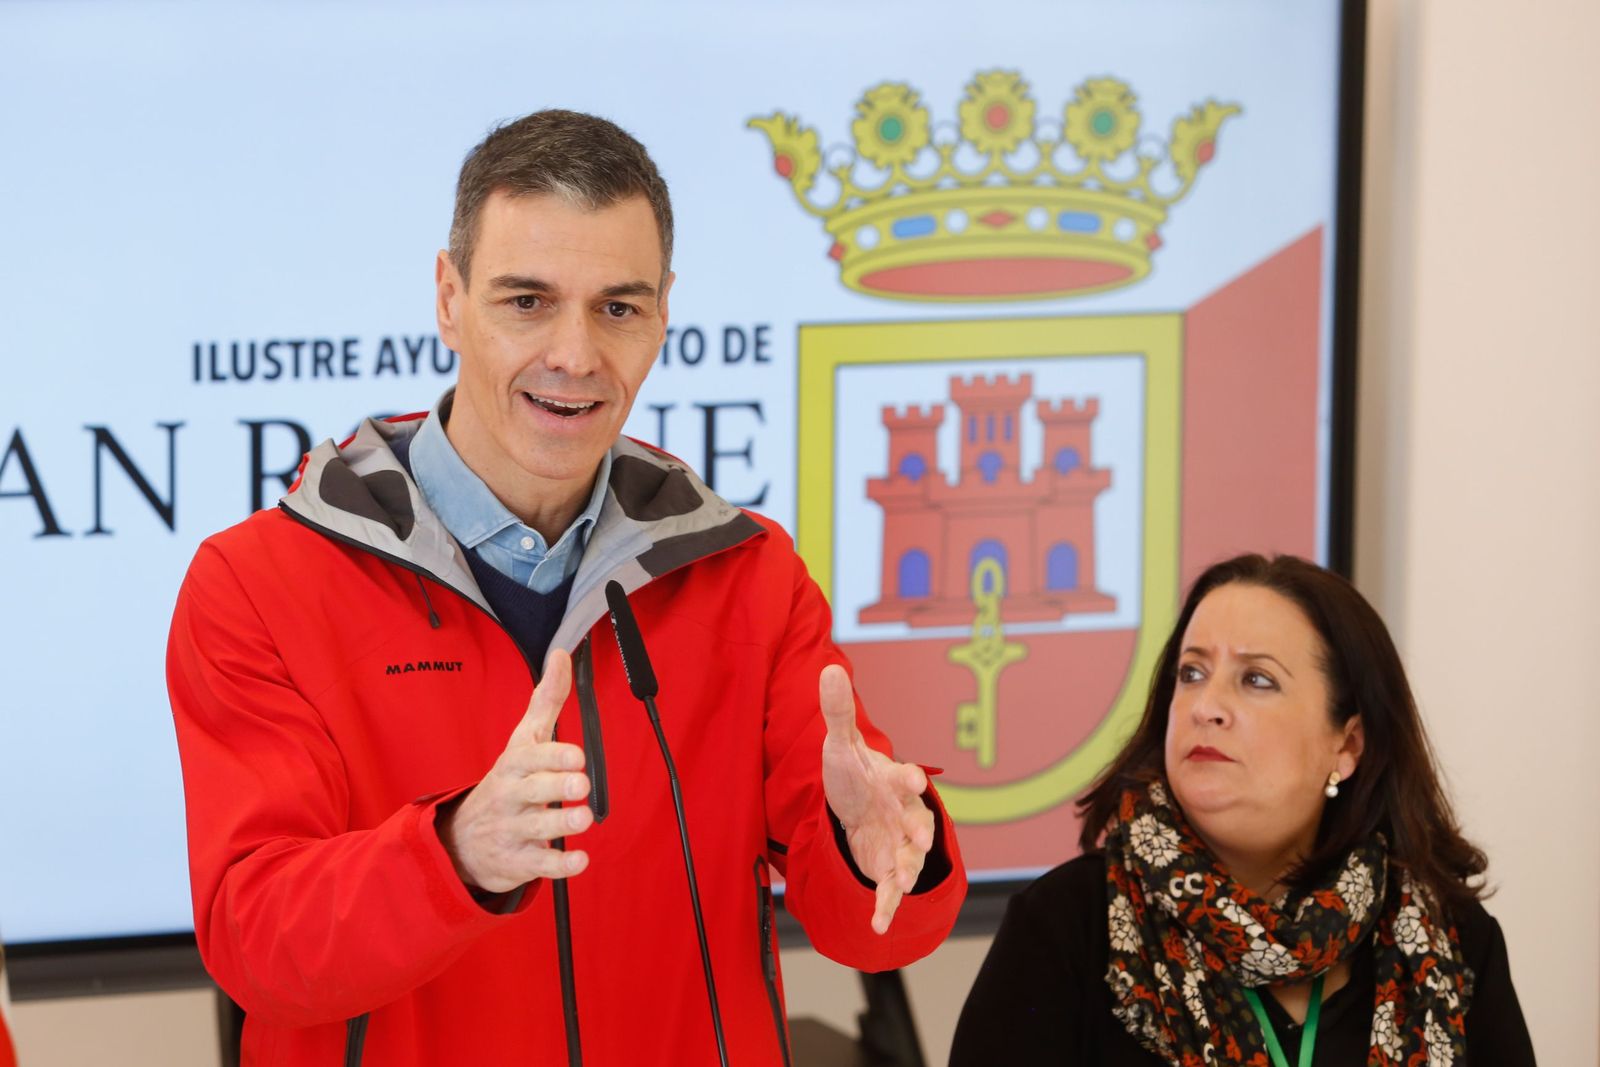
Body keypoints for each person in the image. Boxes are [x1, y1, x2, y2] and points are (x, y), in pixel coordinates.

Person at [167, 110, 965, 1067]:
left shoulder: (746, 572)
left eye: (618, 307)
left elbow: (873, 930)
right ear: (449, 298)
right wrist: (454, 853)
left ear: (665, 311)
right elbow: (256, 942)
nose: (577, 355)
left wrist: (877, 846)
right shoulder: (258, 585)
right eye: (527, 301)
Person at [950, 554, 1534, 1066]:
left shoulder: (1452, 943)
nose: (1207, 706)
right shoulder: (1066, 927)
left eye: (1256, 679)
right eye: (1192, 673)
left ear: (1348, 745)